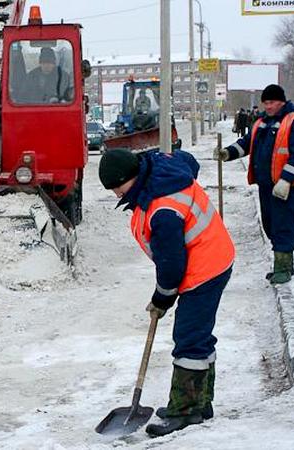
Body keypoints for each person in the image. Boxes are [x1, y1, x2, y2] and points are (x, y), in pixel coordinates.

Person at [99, 148, 235, 437]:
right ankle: (200, 402)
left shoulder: (163, 210)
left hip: (205, 268)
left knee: (189, 338)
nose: (116, 195)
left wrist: (162, 297)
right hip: (214, 256)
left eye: (117, 187)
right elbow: (186, 160)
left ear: (132, 177)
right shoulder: (160, 169)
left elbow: (172, 266)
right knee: (198, 334)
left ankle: (185, 410)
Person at [216, 84, 294, 284]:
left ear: (282, 101)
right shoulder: (261, 122)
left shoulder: (293, 121)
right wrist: (228, 152)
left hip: (286, 187)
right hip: (265, 185)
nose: (268, 106)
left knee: (283, 225)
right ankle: (284, 265)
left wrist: (286, 180)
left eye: (272, 103)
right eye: (266, 103)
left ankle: (283, 269)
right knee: (270, 225)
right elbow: (247, 143)